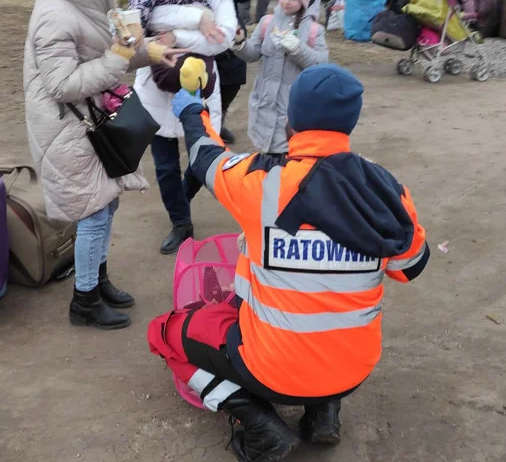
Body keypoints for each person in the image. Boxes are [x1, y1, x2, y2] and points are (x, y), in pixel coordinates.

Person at [147, 63, 431, 462]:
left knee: (164, 333)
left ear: (291, 120)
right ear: (349, 122)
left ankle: (261, 425)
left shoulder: (262, 183)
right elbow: (410, 266)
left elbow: (205, 157)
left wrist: (193, 110)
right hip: (353, 370)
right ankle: (323, 413)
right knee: (324, 310)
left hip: (274, 372)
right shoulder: (387, 189)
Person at [23, 0, 186, 330]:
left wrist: (150, 53)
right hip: (68, 129)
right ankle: (84, 301)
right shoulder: (54, 15)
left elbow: (110, 54)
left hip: (87, 124)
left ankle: (98, 282)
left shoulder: (76, 3)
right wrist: (118, 57)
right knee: (94, 211)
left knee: (106, 200)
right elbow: (62, 85)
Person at [133, 0, 238, 255]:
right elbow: (152, 17)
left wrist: (178, 37)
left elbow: (224, 38)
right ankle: (181, 223)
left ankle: (181, 196)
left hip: (200, 85)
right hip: (158, 82)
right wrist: (197, 18)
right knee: (164, 164)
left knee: (202, 156)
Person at [235, 0, 328, 156]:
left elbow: (321, 65)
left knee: (287, 157)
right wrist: (240, 44)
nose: (287, 2)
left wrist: (297, 48)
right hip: (264, 103)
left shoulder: (313, 31)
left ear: (305, 0)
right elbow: (253, 53)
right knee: (264, 155)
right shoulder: (267, 22)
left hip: (291, 109)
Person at [182, 0, 257, 145]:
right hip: (195, 33)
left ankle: (218, 119)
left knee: (234, 74)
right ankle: (193, 122)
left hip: (227, 26)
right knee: (195, 80)